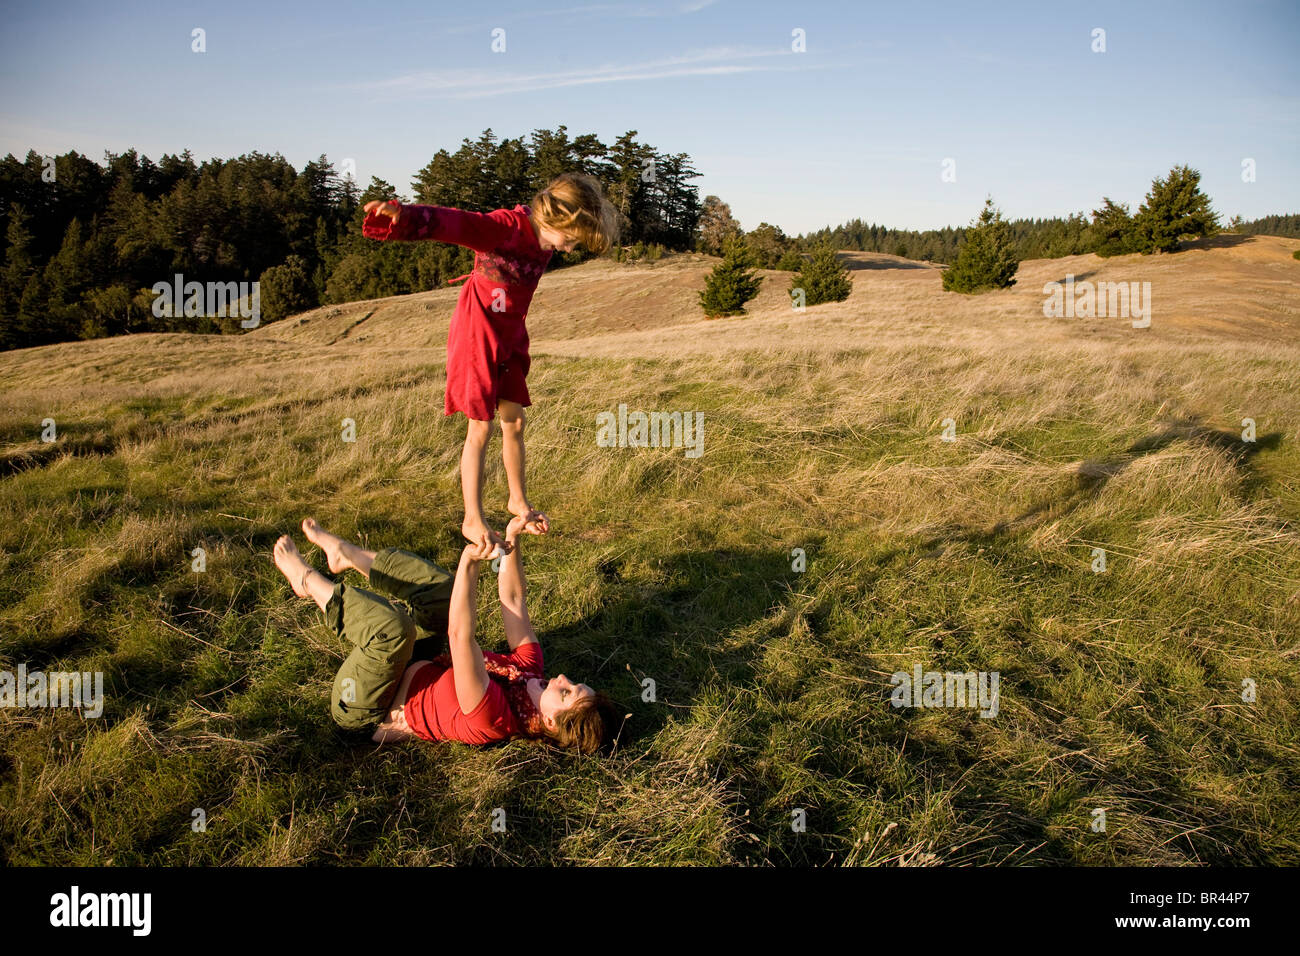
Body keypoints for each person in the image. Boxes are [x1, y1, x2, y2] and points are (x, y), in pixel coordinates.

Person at [361, 172, 621, 555]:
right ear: (557, 219)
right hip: (477, 333)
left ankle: (517, 500)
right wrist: (406, 216)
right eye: (572, 238)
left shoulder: (545, 243)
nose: (569, 248)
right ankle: (472, 516)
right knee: (480, 427)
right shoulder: (506, 227)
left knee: (514, 421)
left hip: (510, 336)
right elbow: (456, 223)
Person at [270, 516, 623, 754]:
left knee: (394, 630)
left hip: (366, 703)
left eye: (565, 691)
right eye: (572, 682)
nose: (560, 677)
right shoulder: (529, 672)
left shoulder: (493, 716)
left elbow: (460, 636)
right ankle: (346, 554)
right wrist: (511, 539)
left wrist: (468, 564)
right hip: (417, 664)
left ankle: (306, 582)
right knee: (443, 592)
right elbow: (513, 599)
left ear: (548, 721)